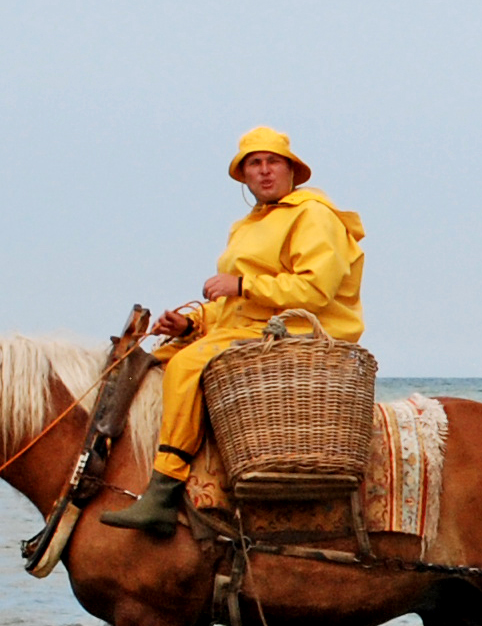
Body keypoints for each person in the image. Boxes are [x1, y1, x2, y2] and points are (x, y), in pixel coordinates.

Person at [101, 126, 367, 536]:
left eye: (272, 162)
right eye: (254, 164)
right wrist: (192, 323)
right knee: (154, 359)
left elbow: (315, 289)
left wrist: (241, 284)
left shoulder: (312, 214)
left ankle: (164, 489)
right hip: (251, 326)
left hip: (294, 330)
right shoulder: (245, 226)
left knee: (188, 365)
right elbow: (234, 307)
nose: (264, 172)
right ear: (243, 175)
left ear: (291, 169)